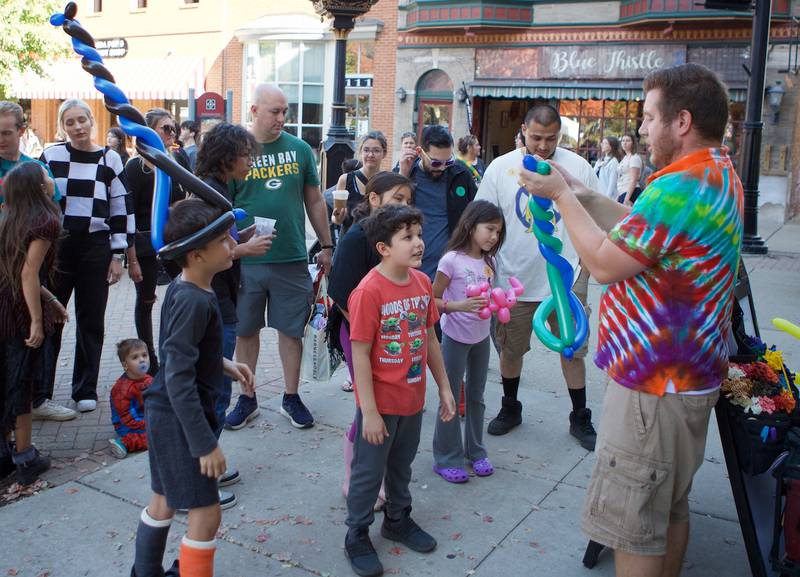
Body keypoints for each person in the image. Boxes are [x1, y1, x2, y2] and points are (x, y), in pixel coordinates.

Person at [518, 62, 742, 577]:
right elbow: (642, 233)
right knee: (670, 508)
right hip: (686, 382)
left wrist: (559, 196)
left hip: (652, 392)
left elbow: (601, 263)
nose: (641, 128)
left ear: (680, 121)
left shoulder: (679, 187)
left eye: (648, 117)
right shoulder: (715, 171)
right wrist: (581, 191)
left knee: (635, 526)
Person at [132, 198, 254, 577]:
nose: (233, 245)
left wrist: (225, 364)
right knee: (207, 513)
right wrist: (204, 443)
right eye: (224, 241)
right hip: (179, 417)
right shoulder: (193, 302)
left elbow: (178, 355)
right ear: (198, 254)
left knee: (164, 499)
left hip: (168, 413)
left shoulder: (189, 291)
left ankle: (146, 571)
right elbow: (178, 378)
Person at [475, 104, 599, 450]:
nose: (543, 146)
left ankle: (580, 416)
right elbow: (483, 219)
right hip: (513, 276)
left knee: (573, 348)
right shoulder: (501, 169)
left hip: (568, 274)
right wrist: (484, 265)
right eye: (536, 138)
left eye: (551, 138)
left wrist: (585, 270)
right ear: (524, 132)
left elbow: (595, 219)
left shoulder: (578, 168)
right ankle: (510, 407)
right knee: (511, 348)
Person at [344, 204, 456, 577]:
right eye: (407, 237)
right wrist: (369, 411)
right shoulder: (369, 292)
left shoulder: (423, 283)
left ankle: (397, 519)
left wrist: (444, 387)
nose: (418, 243)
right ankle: (357, 533)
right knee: (367, 472)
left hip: (412, 399)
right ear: (384, 248)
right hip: (380, 405)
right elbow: (359, 354)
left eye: (419, 235)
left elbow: (430, 339)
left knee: (401, 466)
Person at [226, 84, 333, 431]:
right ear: (254, 111)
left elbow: (314, 199)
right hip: (245, 259)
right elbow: (223, 208)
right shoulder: (236, 151)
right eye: (274, 111)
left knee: (291, 331)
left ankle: (291, 396)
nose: (281, 118)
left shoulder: (300, 149)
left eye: (285, 111)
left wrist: (326, 244)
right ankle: (247, 397)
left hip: (290, 257)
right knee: (245, 331)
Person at [195, 121, 274, 508]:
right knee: (214, 388)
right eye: (246, 156)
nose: (250, 163)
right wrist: (243, 249)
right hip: (215, 299)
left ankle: (208, 463)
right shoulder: (209, 190)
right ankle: (196, 478)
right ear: (229, 155)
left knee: (216, 386)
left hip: (222, 296)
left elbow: (215, 240)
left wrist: (240, 239)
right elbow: (203, 249)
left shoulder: (217, 187)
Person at [41, 99, 135, 413]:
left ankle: (85, 388)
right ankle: (41, 392)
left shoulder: (110, 158)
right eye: (70, 122)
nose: (78, 127)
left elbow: (122, 207)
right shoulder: (51, 156)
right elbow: (39, 205)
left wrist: (118, 254)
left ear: (92, 120)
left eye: (82, 120)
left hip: (96, 247)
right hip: (57, 248)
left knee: (91, 320)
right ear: (62, 126)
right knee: (50, 318)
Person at [327, 171, 414, 502]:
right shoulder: (357, 237)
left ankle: (379, 471)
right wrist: (370, 334)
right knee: (369, 405)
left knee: (385, 404)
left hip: (392, 335)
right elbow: (341, 293)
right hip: (361, 336)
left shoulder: (400, 238)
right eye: (397, 199)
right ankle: (357, 480)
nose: (404, 206)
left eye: (407, 200)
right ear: (374, 200)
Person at [0, 162, 65, 484]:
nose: (51, 181)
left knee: (7, 379)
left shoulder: (9, 218)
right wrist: (37, 321)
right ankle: (25, 458)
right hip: (15, 310)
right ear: (39, 189)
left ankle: (7, 454)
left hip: (5, 302)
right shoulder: (46, 222)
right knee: (20, 382)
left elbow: (19, 271)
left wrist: (52, 301)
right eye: (46, 178)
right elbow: (27, 273)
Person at [431, 200, 504, 483]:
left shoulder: (490, 261)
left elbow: (488, 297)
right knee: (449, 398)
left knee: (477, 396)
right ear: (471, 226)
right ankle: (446, 457)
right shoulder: (451, 260)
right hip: (455, 338)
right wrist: (458, 306)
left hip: (481, 337)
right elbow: (432, 300)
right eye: (489, 229)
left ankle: (476, 451)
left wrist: (498, 304)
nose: (494, 237)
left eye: (498, 232)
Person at [124, 108, 190, 376]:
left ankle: (178, 349)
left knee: (184, 293)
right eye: (165, 128)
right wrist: (131, 258)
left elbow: (186, 196)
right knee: (147, 300)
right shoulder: (136, 167)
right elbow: (127, 212)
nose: (171, 133)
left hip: (175, 241)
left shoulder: (175, 160)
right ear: (149, 131)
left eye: (173, 128)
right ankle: (149, 356)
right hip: (145, 244)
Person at [397, 125, 477, 280]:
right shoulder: (407, 172)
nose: (442, 168)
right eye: (435, 163)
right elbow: (391, 214)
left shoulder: (461, 174)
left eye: (448, 162)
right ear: (420, 152)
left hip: (451, 272)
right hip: (411, 270)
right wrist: (403, 175)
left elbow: (476, 215)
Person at [331, 131, 388, 234]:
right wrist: (337, 218)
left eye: (376, 150)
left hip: (377, 243)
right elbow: (336, 218)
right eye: (366, 150)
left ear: (384, 153)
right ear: (360, 152)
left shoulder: (388, 182)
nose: (371, 155)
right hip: (350, 243)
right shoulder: (345, 179)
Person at [109, 338, 151, 459]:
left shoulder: (148, 379)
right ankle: (123, 443)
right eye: (135, 357)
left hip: (145, 418)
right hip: (127, 425)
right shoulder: (122, 389)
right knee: (154, 438)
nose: (142, 360)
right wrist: (150, 423)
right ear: (125, 364)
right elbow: (128, 418)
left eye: (144, 355)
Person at [617, 133, 643, 205]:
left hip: (631, 193)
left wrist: (626, 199)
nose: (624, 143)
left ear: (633, 143)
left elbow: (633, 179)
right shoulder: (624, 158)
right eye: (623, 140)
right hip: (622, 191)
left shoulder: (634, 157)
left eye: (628, 141)